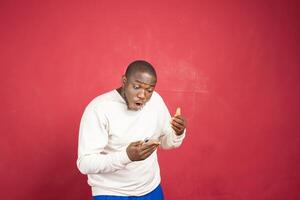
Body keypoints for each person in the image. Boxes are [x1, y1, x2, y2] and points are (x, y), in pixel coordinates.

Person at [77, 60, 187, 200]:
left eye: (149, 90)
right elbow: (85, 164)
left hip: (151, 189)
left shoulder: (156, 101)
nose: (143, 95)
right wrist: (126, 156)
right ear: (124, 81)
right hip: (111, 193)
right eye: (136, 87)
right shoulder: (99, 109)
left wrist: (177, 133)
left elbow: (166, 142)